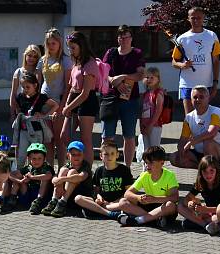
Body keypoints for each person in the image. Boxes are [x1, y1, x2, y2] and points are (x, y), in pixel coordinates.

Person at [100, 25, 146, 167]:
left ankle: (127, 168)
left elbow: (140, 75)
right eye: (121, 37)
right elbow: (103, 73)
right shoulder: (111, 52)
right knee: (107, 136)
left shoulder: (137, 53)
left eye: (126, 37)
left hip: (130, 99)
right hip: (110, 99)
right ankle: (107, 167)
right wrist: (114, 82)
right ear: (118, 38)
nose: (124, 40)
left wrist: (122, 77)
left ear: (131, 38)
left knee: (129, 135)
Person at [172, 6, 220, 114]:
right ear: (188, 19)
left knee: (204, 118)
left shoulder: (212, 36)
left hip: (206, 84)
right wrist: (183, 65)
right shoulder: (182, 39)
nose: (196, 20)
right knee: (190, 118)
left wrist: (215, 83)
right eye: (193, 18)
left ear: (203, 18)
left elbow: (216, 61)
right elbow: (174, 62)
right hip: (187, 84)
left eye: (198, 18)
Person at [117, 145, 179, 228]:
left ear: (162, 162)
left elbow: (175, 197)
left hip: (162, 208)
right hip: (148, 207)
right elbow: (127, 193)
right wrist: (138, 197)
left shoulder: (170, 175)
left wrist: (155, 199)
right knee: (122, 202)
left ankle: (138, 220)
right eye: (146, 162)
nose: (147, 165)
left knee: (170, 205)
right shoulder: (144, 175)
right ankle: (153, 219)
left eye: (151, 162)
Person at [61, 32, 99, 165]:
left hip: (87, 101)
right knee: (64, 135)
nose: (70, 51)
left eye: (73, 48)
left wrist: (68, 107)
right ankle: (75, 161)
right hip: (74, 99)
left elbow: (85, 93)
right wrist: (67, 105)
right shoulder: (75, 63)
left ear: (81, 46)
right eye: (69, 47)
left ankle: (87, 168)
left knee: (86, 138)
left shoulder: (90, 63)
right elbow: (72, 87)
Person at [38, 28, 73, 169]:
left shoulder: (65, 60)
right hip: (44, 102)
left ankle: (62, 168)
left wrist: (63, 105)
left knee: (59, 139)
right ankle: (49, 169)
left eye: (54, 43)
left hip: (58, 102)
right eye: (48, 43)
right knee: (48, 139)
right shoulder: (43, 60)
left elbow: (67, 86)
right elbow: (38, 82)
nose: (51, 46)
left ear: (59, 44)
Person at [172, 86, 220, 169]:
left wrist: (191, 142)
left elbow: (211, 133)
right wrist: (181, 149)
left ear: (208, 98)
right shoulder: (189, 117)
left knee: (208, 143)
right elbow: (183, 139)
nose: (197, 100)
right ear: (191, 99)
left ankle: (214, 173)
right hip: (199, 152)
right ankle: (204, 170)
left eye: (201, 97)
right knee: (174, 158)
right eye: (195, 97)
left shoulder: (216, 111)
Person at [74, 138, 134, 220]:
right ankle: (110, 213)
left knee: (126, 203)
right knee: (78, 199)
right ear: (101, 156)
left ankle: (101, 211)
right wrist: (99, 197)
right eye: (106, 154)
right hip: (103, 203)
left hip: (118, 202)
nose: (109, 156)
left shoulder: (124, 170)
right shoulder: (99, 170)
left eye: (112, 153)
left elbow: (129, 192)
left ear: (117, 155)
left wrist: (115, 202)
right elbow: (96, 191)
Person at [12, 71, 59, 166]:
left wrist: (44, 115)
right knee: (21, 154)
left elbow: (55, 105)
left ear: (35, 85)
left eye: (28, 87)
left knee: (35, 154)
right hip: (24, 130)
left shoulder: (41, 97)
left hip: (36, 130)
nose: (25, 89)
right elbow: (16, 106)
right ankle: (20, 174)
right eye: (23, 87)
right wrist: (18, 114)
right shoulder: (21, 96)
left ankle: (35, 173)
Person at [177, 155, 220, 233]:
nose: (208, 175)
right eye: (205, 171)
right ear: (200, 172)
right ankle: (205, 225)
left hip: (219, 213)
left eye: (211, 171)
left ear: (217, 170)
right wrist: (190, 203)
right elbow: (187, 198)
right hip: (206, 214)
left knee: (214, 218)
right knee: (180, 206)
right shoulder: (201, 182)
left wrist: (206, 210)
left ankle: (203, 223)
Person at [41, 141, 92, 218]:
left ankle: (62, 202)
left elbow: (81, 177)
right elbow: (56, 177)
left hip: (80, 198)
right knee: (63, 170)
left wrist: (62, 179)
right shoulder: (67, 165)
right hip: (68, 196)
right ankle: (54, 200)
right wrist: (55, 179)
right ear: (68, 155)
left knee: (72, 172)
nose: (76, 157)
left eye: (79, 154)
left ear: (83, 155)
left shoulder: (85, 165)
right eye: (73, 155)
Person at [22, 143, 56, 215]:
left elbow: (48, 176)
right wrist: (21, 180)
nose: (36, 161)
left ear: (44, 158)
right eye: (34, 159)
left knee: (44, 179)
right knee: (22, 180)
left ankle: (38, 201)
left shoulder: (47, 167)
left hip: (43, 196)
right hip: (29, 194)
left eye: (39, 158)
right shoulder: (28, 168)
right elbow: (12, 174)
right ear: (29, 158)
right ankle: (11, 199)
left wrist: (32, 177)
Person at [139, 67, 165, 162]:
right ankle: (146, 170)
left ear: (158, 79)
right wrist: (141, 125)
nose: (149, 80)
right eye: (147, 77)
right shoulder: (146, 93)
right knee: (146, 150)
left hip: (155, 126)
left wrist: (150, 125)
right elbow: (142, 112)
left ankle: (156, 169)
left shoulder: (158, 93)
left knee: (154, 150)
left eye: (152, 77)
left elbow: (158, 111)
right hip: (145, 126)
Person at [9, 45, 41, 119]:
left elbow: (38, 92)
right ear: (25, 56)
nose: (32, 58)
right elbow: (13, 93)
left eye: (35, 56)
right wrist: (12, 113)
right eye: (29, 55)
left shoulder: (38, 72)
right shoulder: (18, 72)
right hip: (20, 108)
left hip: (33, 109)